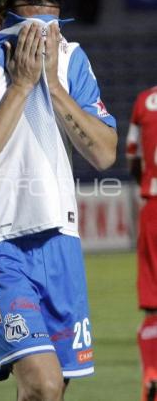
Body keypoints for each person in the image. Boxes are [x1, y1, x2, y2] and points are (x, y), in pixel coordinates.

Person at [0, 0, 117, 401]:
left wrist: (53, 86)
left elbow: (104, 153)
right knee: (42, 384)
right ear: (2, 19)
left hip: (60, 239)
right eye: (28, 28)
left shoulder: (71, 58)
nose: (41, 38)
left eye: (51, 27)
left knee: (53, 390)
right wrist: (22, 85)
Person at [126, 86, 157, 401]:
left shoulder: (144, 101)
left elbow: (131, 153)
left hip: (154, 206)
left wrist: (145, 183)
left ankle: (152, 371)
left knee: (153, 305)